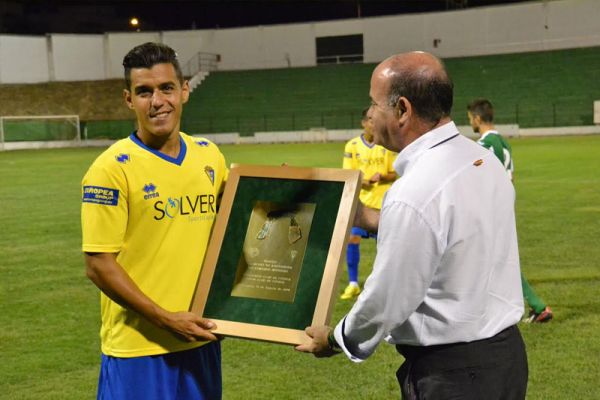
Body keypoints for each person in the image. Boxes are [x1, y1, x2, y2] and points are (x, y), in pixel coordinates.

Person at [297, 51, 528, 400]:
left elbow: (387, 296)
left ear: (402, 110)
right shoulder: (482, 160)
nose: (370, 114)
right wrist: (362, 216)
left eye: (374, 103)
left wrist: (335, 339)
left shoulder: (415, 189)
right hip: (506, 357)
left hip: (455, 375)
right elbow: (445, 234)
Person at [81, 42, 227, 399]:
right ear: (129, 99)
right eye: (144, 92)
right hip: (138, 349)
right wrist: (165, 317)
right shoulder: (110, 169)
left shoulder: (209, 157)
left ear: (184, 91)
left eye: (166, 88)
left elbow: (236, 231)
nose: (157, 101)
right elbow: (99, 265)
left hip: (199, 339)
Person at [467, 98, 553, 323]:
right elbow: (509, 177)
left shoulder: (484, 145)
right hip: (503, 205)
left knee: (486, 258)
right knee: (496, 259)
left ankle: (536, 305)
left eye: (470, 119)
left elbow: (477, 180)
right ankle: (533, 306)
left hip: (489, 208)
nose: (470, 124)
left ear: (477, 118)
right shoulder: (504, 143)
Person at [340, 108, 397, 300]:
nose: (373, 125)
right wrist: (363, 181)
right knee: (351, 240)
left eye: (375, 121)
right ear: (363, 123)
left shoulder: (386, 146)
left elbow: (394, 173)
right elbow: (348, 174)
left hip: (382, 205)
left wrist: (382, 176)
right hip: (361, 206)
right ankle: (353, 283)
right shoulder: (352, 146)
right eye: (370, 121)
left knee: (383, 247)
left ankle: (381, 286)